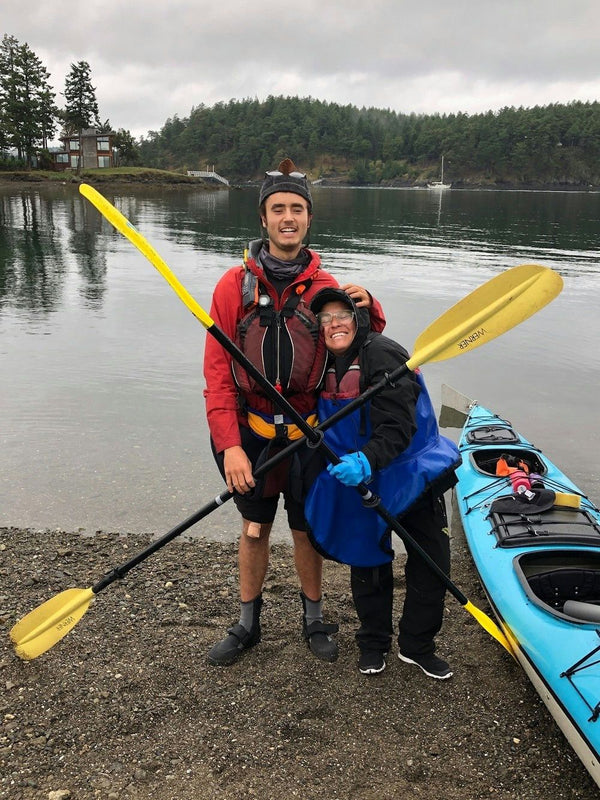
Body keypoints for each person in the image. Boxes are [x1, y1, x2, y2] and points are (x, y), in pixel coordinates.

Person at [203, 159, 385, 666]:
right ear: (263, 219)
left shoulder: (326, 287)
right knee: (255, 529)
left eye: (297, 209)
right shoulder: (232, 287)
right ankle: (247, 623)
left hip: (309, 436)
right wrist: (229, 444)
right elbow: (217, 376)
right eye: (278, 208)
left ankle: (313, 618)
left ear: (308, 219)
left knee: (305, 530)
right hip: (253, 435)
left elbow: (358, 337)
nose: (288, 217)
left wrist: (372, 303)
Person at [304, 288, 461, 679]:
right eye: (325, 319)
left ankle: (417, 645)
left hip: (410, 473)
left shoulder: (383, 353)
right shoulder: (323, 363)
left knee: (431, 561)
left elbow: (400, 426)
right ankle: (374, 643)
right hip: (362, 478)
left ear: (358, 319)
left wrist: (366, 460)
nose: (334, 323)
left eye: (342, 315)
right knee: (368, 559)